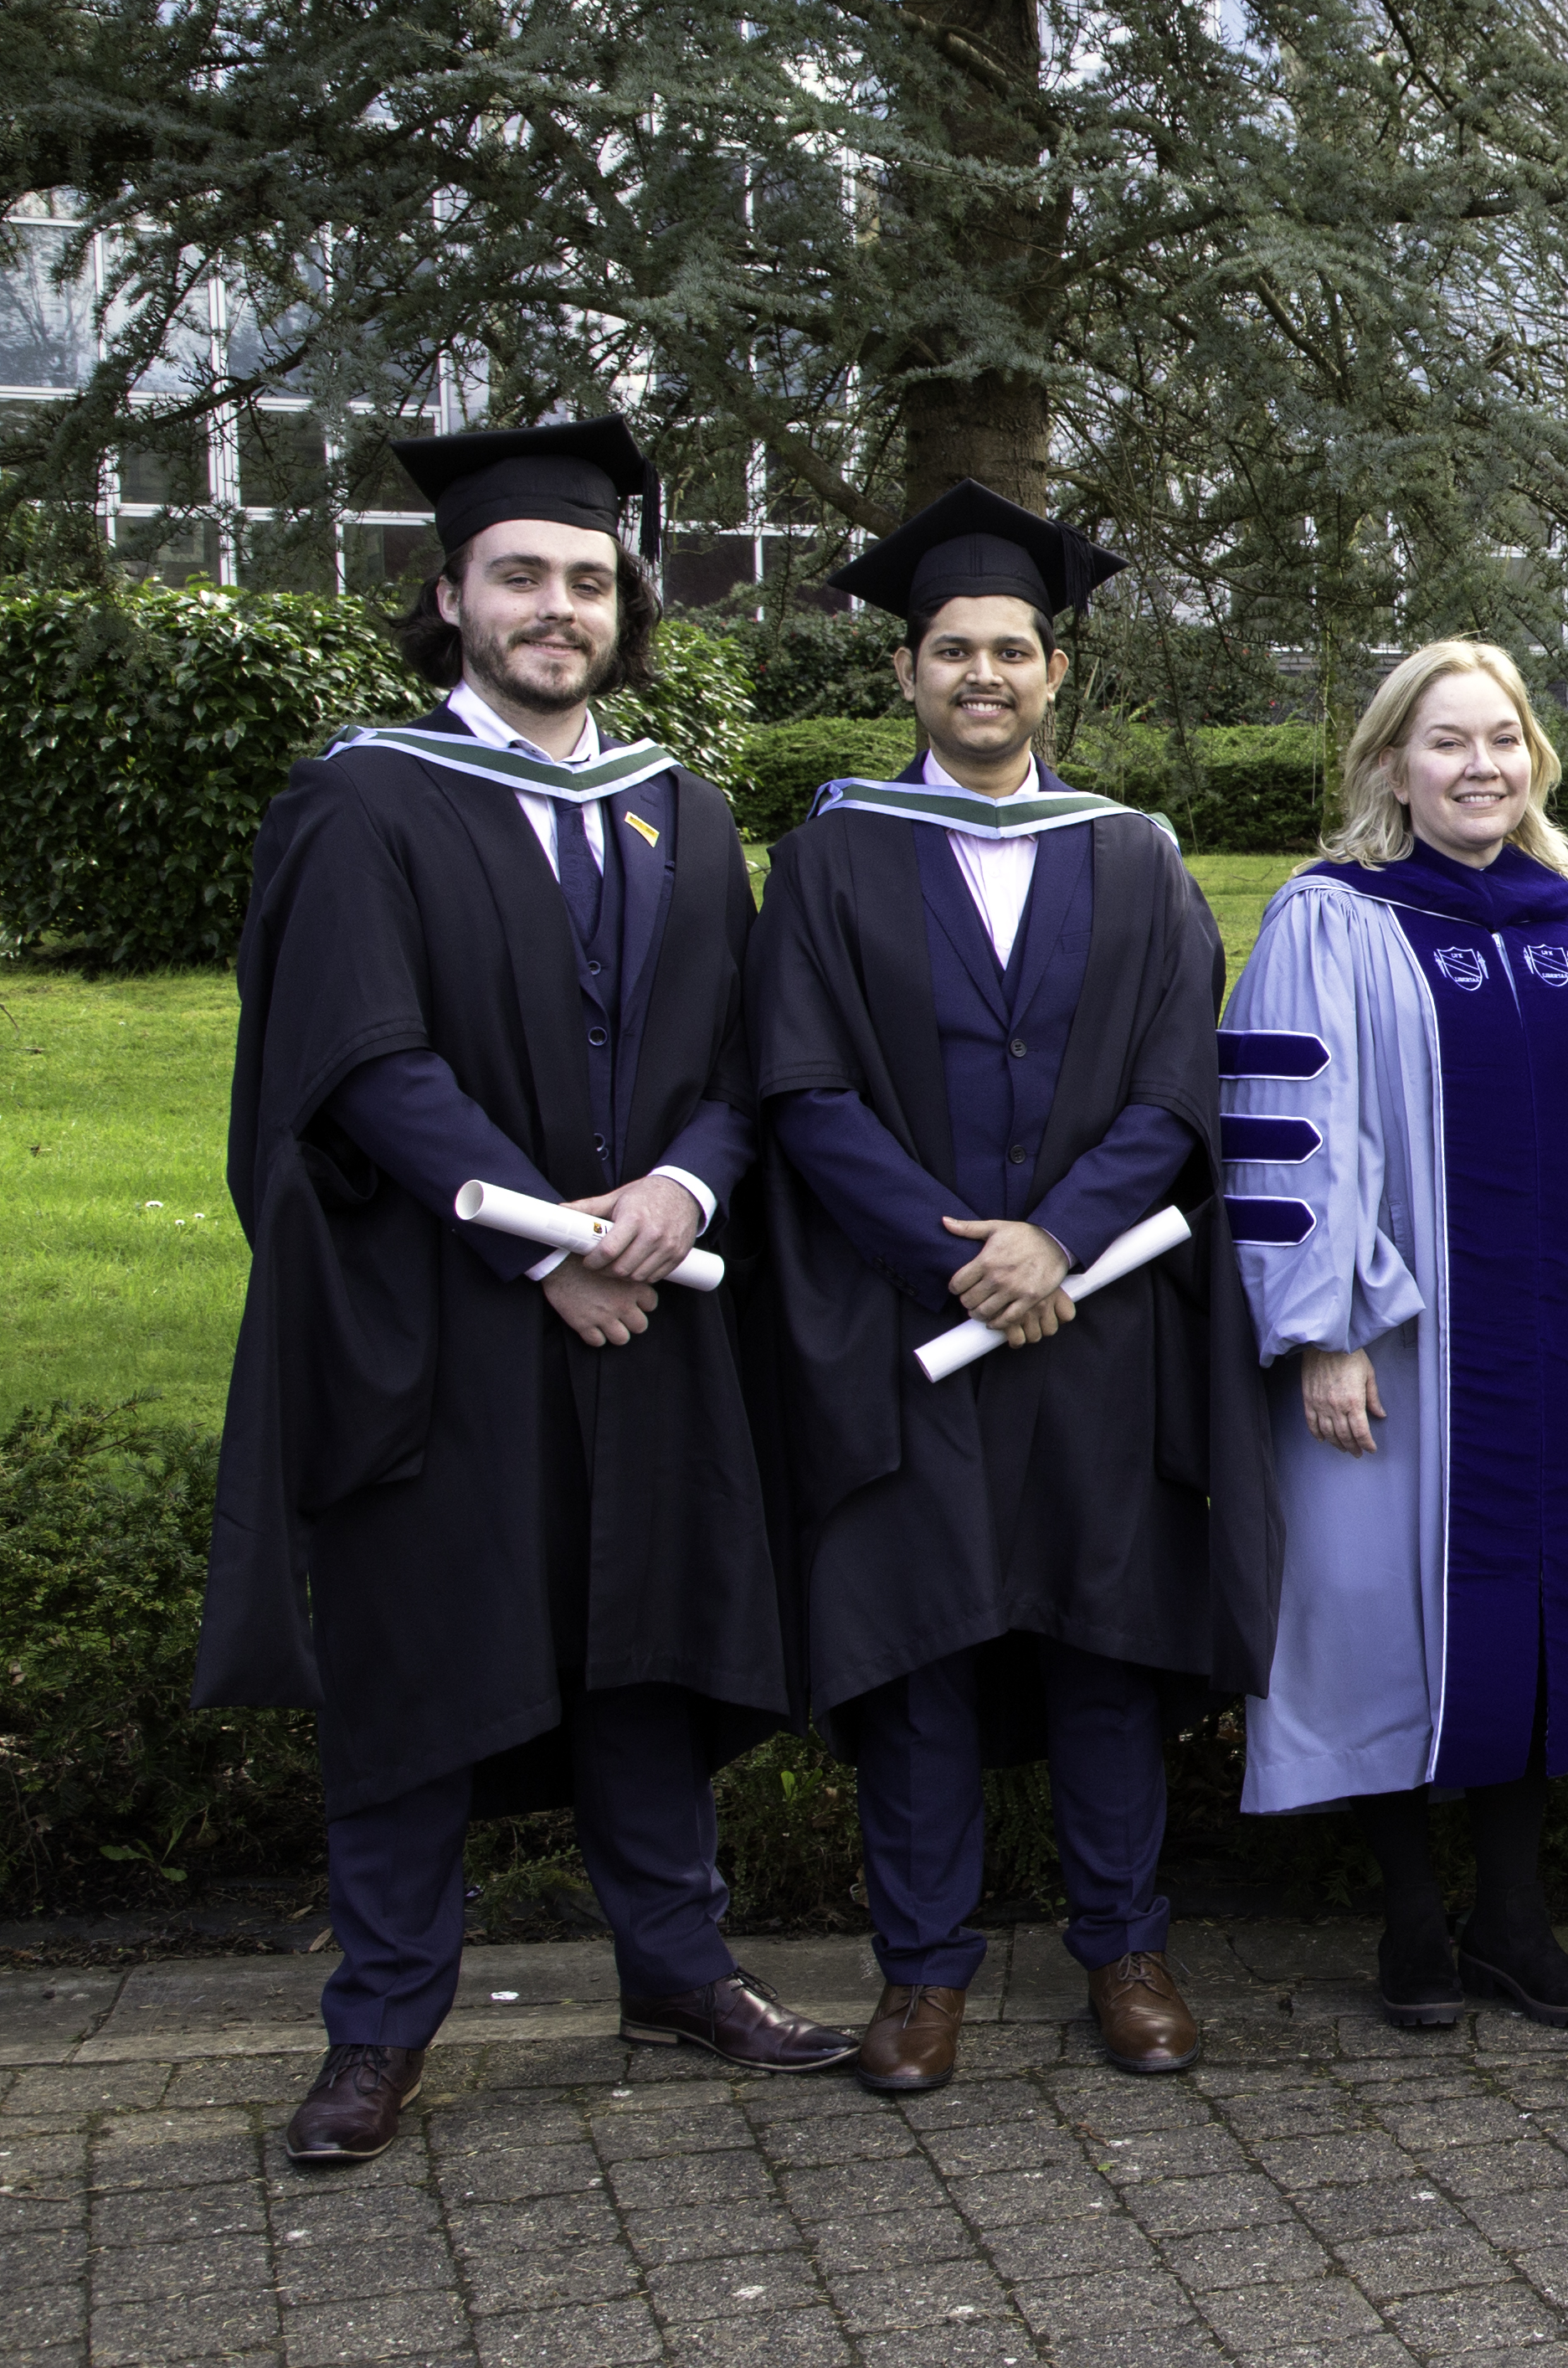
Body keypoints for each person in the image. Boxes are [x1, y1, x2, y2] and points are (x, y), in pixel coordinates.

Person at [202, 416, 848, 2166]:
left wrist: (687, 1187)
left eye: (586, 581)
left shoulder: (681, 815)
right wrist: (548, 1242)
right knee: (424, 1661)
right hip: (447, 1320)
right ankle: (381, 2027)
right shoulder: (363, 803)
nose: (556, 610)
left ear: (624, 608)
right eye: (521, 579)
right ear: (450, 597)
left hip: (658, 1297)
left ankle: (678, 1967)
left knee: (645, 1642)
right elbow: (365, 1066)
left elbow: (742, 1058)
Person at [746, 482, 1278, 2094]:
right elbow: (802, 1090)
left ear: (1058, 676)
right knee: (919, 1646)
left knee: (1103, 1637)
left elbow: (1179, 1085)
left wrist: (1052, 1242)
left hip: (1096, 1317)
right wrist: (957, 1254)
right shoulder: (832, 857)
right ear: (905, 674)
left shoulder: (1134, 858)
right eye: (953, 652)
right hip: (908, 1324)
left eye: (1013, 651)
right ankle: (922, 1975)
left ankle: (1124, 1946)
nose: (984, 676)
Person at [1223, 641, 1568, 2028]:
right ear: (1391, 763)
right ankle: (1407, 1925)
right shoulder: (1332, 919)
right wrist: (1321, 1332)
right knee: (1384, 1618)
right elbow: (1290, 1144)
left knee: (1543, 1620)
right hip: (1396, 1356)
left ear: (1535, 762)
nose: (1479, 767)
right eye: (1446, 742)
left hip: (1562, 1348)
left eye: (1502, 740)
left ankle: (1512, 1920)